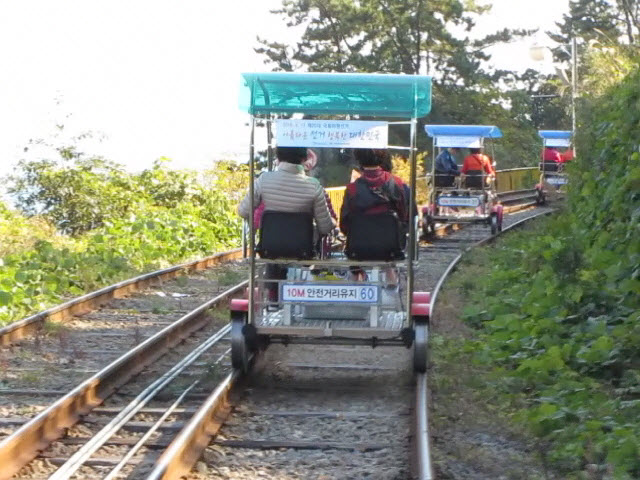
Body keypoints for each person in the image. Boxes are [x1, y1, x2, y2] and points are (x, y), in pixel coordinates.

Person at [238, 146, 335, 303]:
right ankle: (302, 297)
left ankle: (273, 297)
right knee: (303, 250)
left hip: (269, 247)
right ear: (304, 159)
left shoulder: (264, 180)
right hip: (303, 249)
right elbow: (325, 227)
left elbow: (243, 211)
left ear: (278, 158)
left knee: (274, 251)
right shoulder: (313, 185)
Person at [340, 148, 408, 235]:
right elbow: (403, 215)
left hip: (360, 242)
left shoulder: (352, 189)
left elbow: (344, 224)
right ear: (383, 156)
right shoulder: (396, 183)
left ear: (359, 158)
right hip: (391, 242)